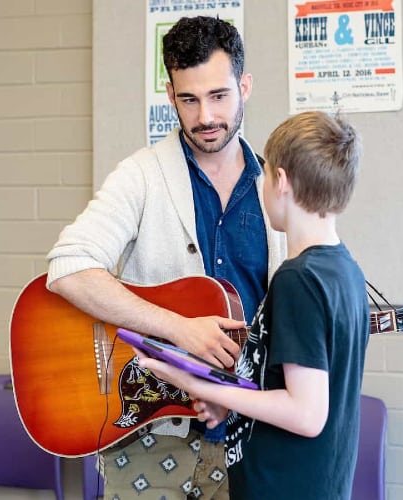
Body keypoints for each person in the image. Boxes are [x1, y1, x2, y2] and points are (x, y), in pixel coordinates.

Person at [46, 15, 286, 500]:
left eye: (219, 96)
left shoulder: (278, 186)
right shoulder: (140, 175)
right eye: (188, 99)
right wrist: (179, 328)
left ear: (245, 85)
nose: (205, 117)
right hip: (147, 434)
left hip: (249, 433)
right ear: (170, 95)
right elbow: (68, 267)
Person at [137, 110, 370, 500]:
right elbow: (281, 383)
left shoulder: (298, 279)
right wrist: (226, 403)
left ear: (280, 181)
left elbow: (307, 414)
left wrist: (196, 384)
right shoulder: (345, 269)